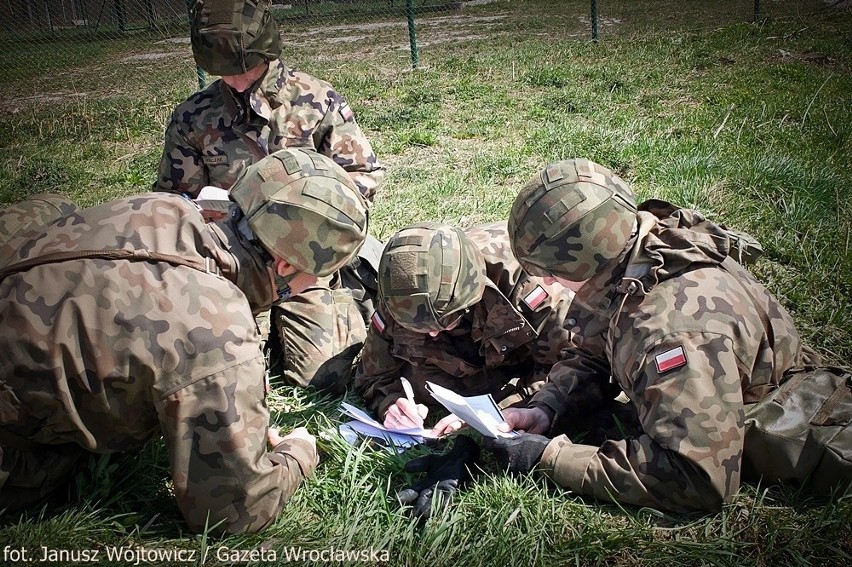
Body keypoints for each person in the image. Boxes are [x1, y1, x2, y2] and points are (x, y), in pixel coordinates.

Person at [0, 148, 369, 534]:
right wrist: (298, 454)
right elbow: (235, 512)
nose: (315, 286)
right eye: (319, 275)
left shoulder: (160, 207)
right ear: (286, 265)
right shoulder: (215, 331)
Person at [487, 157, 839, 513]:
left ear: (585, 258)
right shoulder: (646, 251)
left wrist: (548, 457)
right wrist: (549, 407)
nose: (546, 282)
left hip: (781, 424)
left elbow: (697, 478)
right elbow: (601, 347)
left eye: (550, 271)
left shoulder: (668, 331)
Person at [154, 0, 385, 393]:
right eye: (226, 72)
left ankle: (347, 299)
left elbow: (362, 176)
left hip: (302, 263)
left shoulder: (315, 100)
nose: (238, 80)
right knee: (229, 382)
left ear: (267, 50)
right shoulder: (194, 117)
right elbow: (171, 201)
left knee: (325, 380)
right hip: (230, 270)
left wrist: (315, 218)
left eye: (246, 67)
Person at [353, 221, 579, 434]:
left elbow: (571, 368)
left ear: (473, 292)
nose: (432, 333)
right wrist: (391, 404)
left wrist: (497, 411)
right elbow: (373, 377)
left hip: (526, 359)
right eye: (418, 326)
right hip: (475, 361)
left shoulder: (531, 285)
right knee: (421, 385)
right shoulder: (401, 294)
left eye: (447, 317)